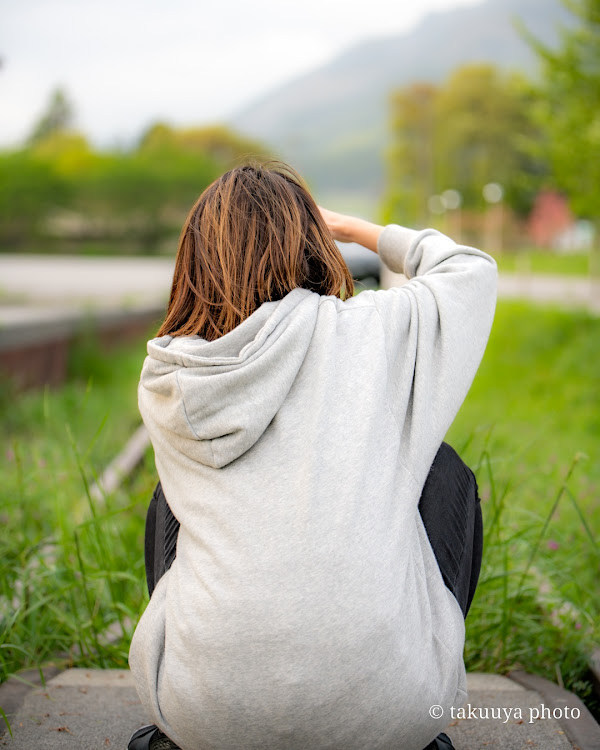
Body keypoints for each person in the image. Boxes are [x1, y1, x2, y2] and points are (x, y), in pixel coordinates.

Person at [127, 162, 497, 750]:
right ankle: (410, 679)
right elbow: (470, 270)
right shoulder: (375, 329)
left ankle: (207, 680)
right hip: (394, 718)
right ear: (314, 246)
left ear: (195, 260)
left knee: (170, 500)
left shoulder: (171, 372)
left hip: (202, 718)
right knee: (441, 468)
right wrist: (356, 229)